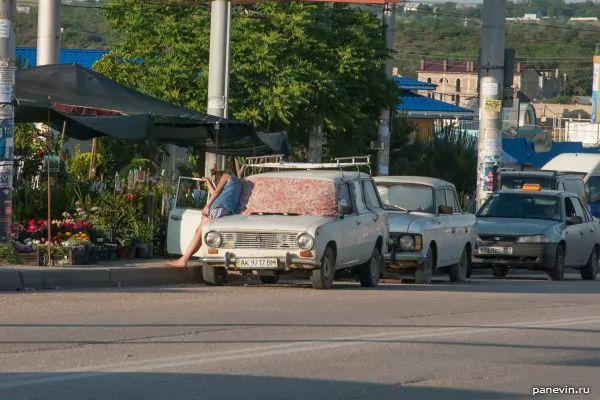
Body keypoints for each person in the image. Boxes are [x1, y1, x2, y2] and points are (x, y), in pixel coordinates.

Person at [168, 167, 242, 268]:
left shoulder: (226, 176)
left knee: (200, 232)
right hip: (225, 211)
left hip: (218, 208)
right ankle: (184, 258)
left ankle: (184, 259)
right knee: (200, 232)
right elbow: (215, 193)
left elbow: (216, 193)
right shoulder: (237, 184)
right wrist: (208, 182)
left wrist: (207, 206)